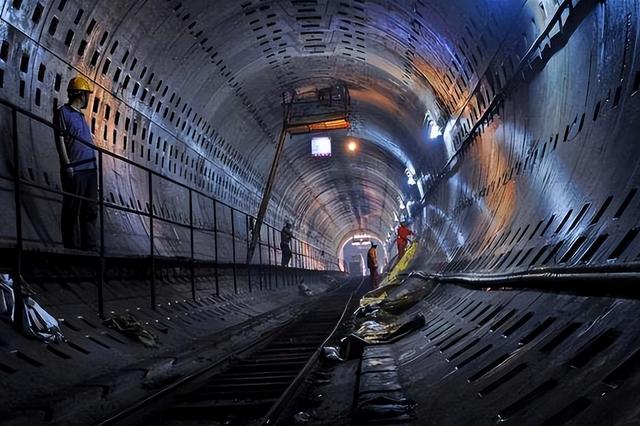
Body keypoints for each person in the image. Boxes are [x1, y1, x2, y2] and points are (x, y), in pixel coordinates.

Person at [53, 76, 98, 251]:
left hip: (90, 169)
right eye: (87, 94)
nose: (88, 98)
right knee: (72, 208)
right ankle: (70, 246)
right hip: (76, 168)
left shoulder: (80, 116)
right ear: (80, 94)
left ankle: (90, 246)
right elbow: (60, 139)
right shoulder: (63, 113)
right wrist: (67, 165)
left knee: (90, 210)